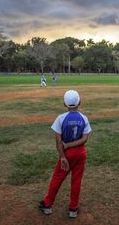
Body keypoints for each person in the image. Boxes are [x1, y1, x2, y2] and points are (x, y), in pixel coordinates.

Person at [39, 90, 92, 218]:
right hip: (80, 153)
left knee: (57, 178)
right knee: (76, 180)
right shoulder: (84, 118)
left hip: (67, 154)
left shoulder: (61, 118)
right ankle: (73, 209)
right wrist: (71, 145)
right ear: (79, 102)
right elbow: (85, 139)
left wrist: (63, 155)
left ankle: (47, 205)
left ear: (65, 103)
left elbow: (58, 141)